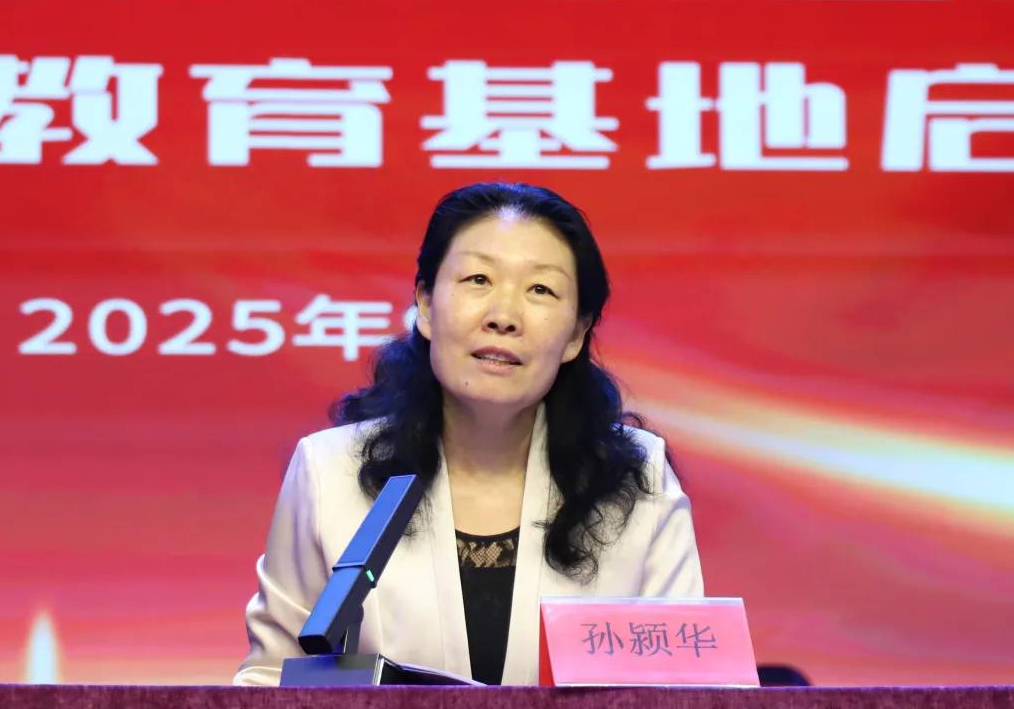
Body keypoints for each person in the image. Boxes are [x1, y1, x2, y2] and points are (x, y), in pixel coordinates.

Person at [234, 182, 704, 687]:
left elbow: (693, 687)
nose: (503, 317)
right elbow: (272, 678)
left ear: (575, 334)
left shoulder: (637, 480)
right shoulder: (331, 471)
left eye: (540, 290)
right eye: (478, 279)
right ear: (426, 305)